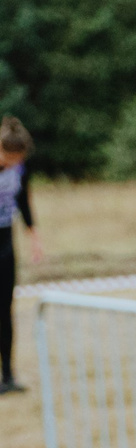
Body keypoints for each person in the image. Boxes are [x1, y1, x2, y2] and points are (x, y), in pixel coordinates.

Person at [0, 117, 43, 395]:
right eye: (9, 157)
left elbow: (23, 201)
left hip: (5, 243)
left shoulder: (20, 169)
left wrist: (34, 237)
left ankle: (8, 376)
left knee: (5, 311)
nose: (14, 162)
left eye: (19, 158)